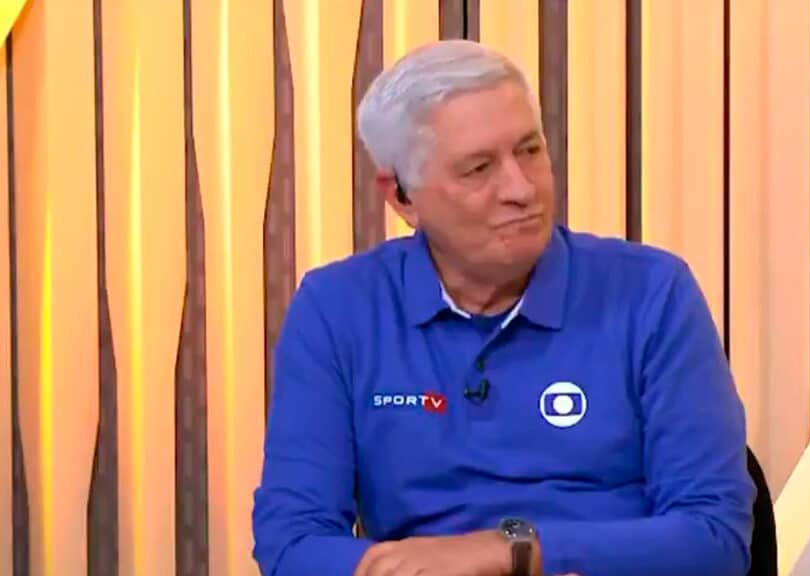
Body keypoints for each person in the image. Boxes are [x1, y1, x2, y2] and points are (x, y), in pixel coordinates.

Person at [252, 39, 755, 576]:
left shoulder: (652, 293)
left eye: (530, 151)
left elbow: (715, 537)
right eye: (478, 169)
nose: (521, 188)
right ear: (402, 197)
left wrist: (509, 552)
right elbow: (292, 541)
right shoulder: (337, 309)